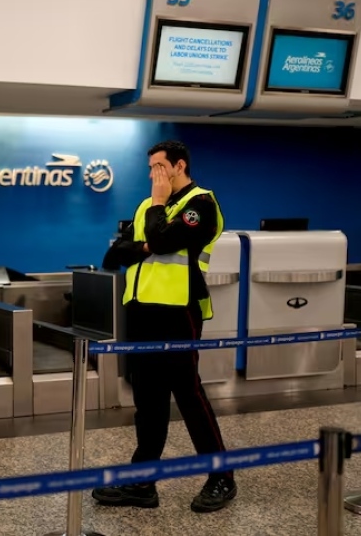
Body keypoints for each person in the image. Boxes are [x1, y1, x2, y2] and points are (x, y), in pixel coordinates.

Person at [91, 139, 237, 513]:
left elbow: (160, 238)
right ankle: (143, 483)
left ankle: (221, 477)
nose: (153, 174)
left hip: (178, 311)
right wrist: (146, 245)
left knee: (188, 394)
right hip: (141, 311)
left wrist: (154, 223)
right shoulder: (145, 206)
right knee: (148, 399)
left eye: (159, 167)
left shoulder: (201, 204)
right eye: (151, 168)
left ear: (180, 166)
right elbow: (113, 254)